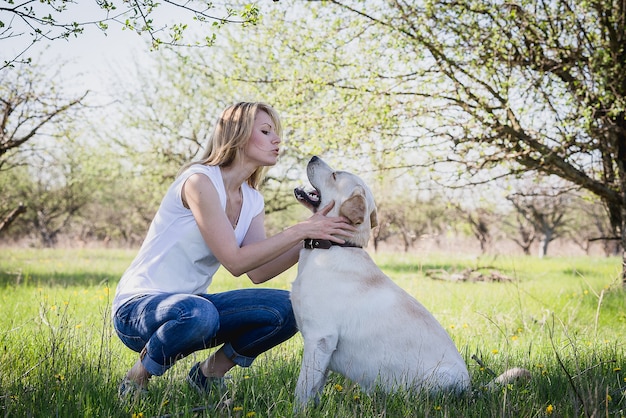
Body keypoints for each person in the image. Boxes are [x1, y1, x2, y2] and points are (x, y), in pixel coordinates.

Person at [111, 101, 355, 399]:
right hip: (139, 309)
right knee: (199, 314)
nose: (277, 140)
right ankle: (137, 378)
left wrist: (314, 236)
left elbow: (258, 271)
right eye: (266, 131)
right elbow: (234, 261)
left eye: (276, 133)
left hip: (191, 308)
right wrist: (301, 230)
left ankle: (207, 375)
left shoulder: (252, 199)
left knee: (288, 308)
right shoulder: (199, 181)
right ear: (237, 134)